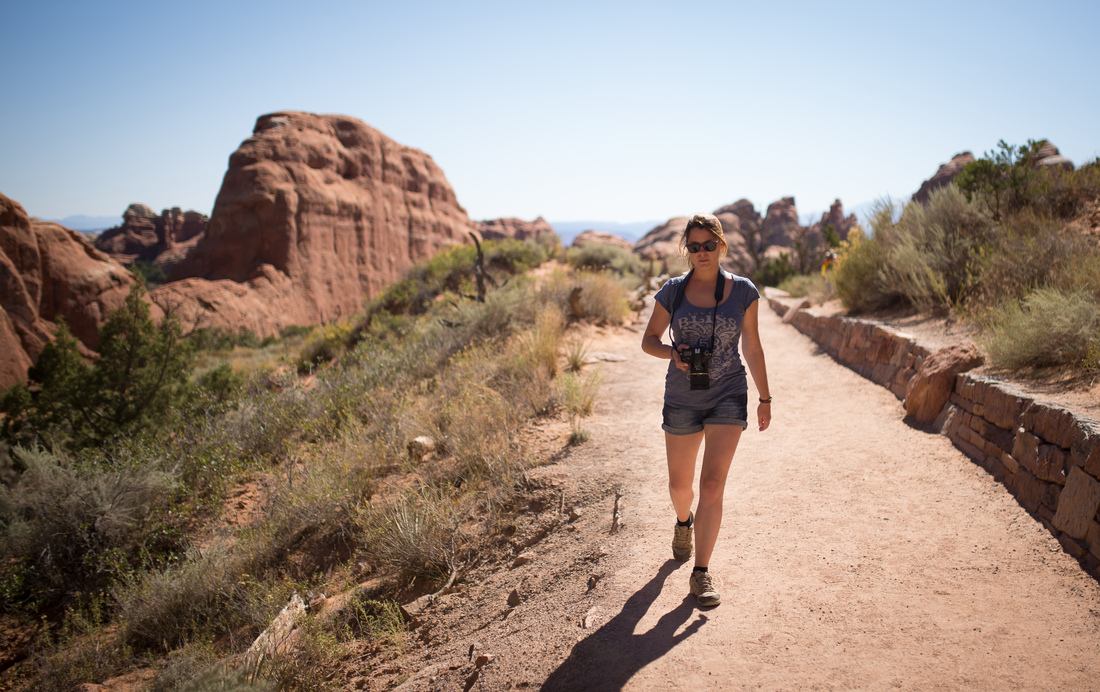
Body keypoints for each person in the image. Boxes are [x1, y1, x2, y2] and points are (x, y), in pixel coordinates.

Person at [640, 213, 772, 607]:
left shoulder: (743, 291)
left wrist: (765, 397)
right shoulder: (673, 291)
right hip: (682, 397)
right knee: (680, 488)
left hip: (728, 393)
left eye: (709, 245)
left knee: (712, 485)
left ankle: (701, 572)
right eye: (694, 246)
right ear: (687, 250)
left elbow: (752, 346)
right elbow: (649, 340)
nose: (702, 253)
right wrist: (672, 354)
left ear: (721, 246)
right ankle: (684, 521)